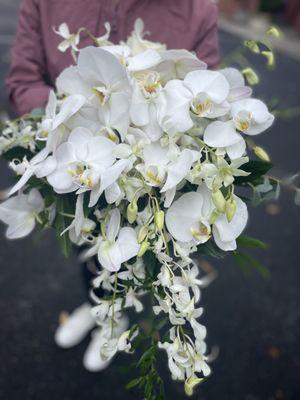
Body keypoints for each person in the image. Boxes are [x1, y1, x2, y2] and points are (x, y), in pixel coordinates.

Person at [6, 0, 220, 372]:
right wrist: (79, 117)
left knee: (139, 259)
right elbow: (22, 83)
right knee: (88, 249)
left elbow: (211, 107)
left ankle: (114, 317)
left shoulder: (197, 10)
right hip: (74, 169)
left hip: (150, 180)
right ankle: (98, 309)